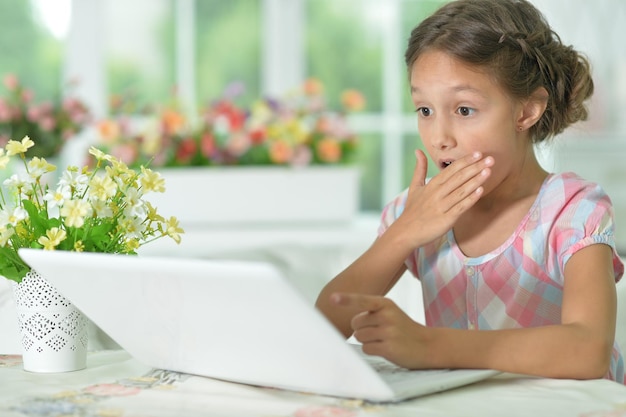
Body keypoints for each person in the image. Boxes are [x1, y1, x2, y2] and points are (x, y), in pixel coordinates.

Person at [315, 0, 625, 383]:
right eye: (425, 110)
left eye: (464, 110)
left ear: (526, 112)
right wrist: (405, 231)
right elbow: (322, 328)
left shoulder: (572, 210)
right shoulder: (415, 212)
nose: (439, 138)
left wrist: (430, 346)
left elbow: (588, 350)